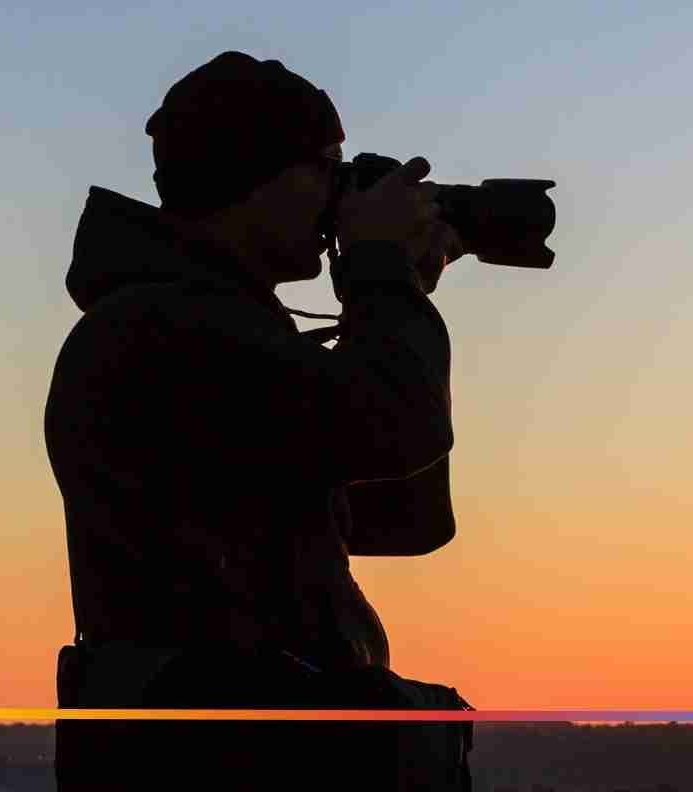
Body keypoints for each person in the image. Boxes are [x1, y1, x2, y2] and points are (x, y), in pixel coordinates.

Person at [45, 51, 474, 789]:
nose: (340, 198)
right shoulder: (163, 330)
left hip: (251, 742)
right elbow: (393, 425)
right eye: (325, 170)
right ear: (254, 178)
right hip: (222, 759)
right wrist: (379, 275)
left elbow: (406, 517)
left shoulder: (217, 327)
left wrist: (397, 294)